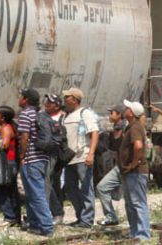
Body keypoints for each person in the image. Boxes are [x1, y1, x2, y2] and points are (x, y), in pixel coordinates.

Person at [17, 88, 54, 236]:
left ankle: (46, 226)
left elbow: (25, 137)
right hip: (42, 158)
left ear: (25, 100)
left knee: (36, 193)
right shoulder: (40, 114)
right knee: (32, 193)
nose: (19, 99)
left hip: (31, 160)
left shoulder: (26, 114)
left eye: (21, 97)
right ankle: (35, 224)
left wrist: (22, 156)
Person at [61, 87, 99, 228]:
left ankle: (87, 220)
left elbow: (94, 133)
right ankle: (80, 215)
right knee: (70, 188)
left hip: (82, 157)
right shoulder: (67, 115)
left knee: (85, 189)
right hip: (69, 158)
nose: (65, 99)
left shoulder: (85, 113)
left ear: (75, 99)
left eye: (68, 97)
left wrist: (91, 154)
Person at [119, 100, 151, 241]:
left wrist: (133, 163)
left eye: (127, 108)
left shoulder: (135, 127)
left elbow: (137, 146)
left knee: (137, 203)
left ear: (131, 113)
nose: (125, 109)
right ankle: (134, 233)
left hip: (136, 171)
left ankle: (143, 235)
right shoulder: (131, 126)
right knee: (130, 203)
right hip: (130, 171)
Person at [96, 104, 127, 226]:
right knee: (102, 187)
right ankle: (111, 217)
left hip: (127, 167)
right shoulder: (116, 128)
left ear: (119, 115)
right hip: (119, 167)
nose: (109, 115)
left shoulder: (125, 128)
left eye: (112, 113)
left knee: (132, 198)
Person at [0, 105, 21, 226]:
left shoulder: (5, 128)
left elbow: (4, 145)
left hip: (7, 163)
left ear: (3, 118)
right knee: (11, 191)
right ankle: (15, 217)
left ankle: (10, 216)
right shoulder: (9, 127)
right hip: (12, 163)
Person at [43, 94, 66, 225]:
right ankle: (56, 212)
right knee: (51, 183)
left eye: (50, 102)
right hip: (45, 153)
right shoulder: (44, 116)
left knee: (49, 182)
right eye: (46, 101)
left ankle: (57, 212)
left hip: (57, 154)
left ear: (57, 105)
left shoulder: (63, 118)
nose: (46, 103)